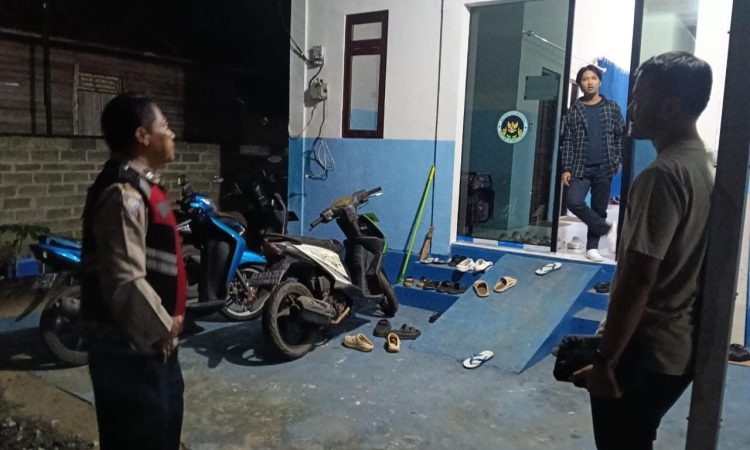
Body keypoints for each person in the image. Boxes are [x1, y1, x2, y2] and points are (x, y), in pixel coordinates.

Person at [572, 51, 714, 450]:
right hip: (677, 350)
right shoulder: (704, 166)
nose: (632, 107)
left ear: (670, 106)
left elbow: (638, 278)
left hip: (644, 352)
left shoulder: (662, 176)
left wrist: (605, 361)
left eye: (640, 97)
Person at [81, 92, 186, 450]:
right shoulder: (123, 192)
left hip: (152, 347)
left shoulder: (145, 186)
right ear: (143, 136)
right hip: (132, 353)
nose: (171, 134)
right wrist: (164, 328)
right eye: (165, 127)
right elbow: (125, 280)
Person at [560, 64, 626, 262]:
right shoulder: (574, 110)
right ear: (580, 83)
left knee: (599, 208)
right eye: (585, 79)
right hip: (580, 166)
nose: (589, 82)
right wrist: (566, 167)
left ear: (600, 82)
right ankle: (607, 229)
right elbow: (568, 140)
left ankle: (592, 248)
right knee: (574, 201)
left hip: (605, 166)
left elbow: (620, 135)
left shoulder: (611, 108)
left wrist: (617, 159)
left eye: (593, 78)